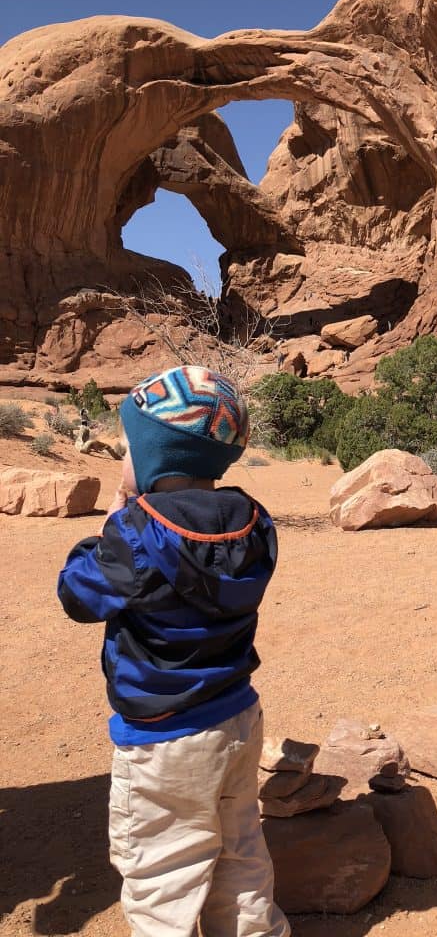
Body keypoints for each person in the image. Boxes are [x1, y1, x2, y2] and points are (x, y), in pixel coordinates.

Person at [57, 365, 290, 937]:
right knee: (241, 855)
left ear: (157, 454)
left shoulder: (136, 534)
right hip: (236, 714)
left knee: (163, 873)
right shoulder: (253, 521)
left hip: (164, 735)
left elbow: (77, 594)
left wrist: (113, 522)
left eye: (129, 445)